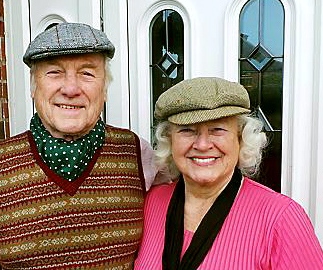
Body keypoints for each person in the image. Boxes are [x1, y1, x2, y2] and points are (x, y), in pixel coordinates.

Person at [0, 22, 163, 269]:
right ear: (33, 87)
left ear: (105, 89)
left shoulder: (138, 154)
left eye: (87, 73)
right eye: (54, 72)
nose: (70, 89)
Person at [134, 77, 323, 270]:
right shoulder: (152, 203)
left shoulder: (281, 218)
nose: (202, 144)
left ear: (240, 138)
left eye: (217, 129)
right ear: (169, 139)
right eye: (187, 130)